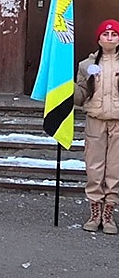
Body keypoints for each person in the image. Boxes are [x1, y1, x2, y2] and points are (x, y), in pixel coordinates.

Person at [74, 19, 119, 235]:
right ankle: (94, 212)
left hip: (118, 122)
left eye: (114, 34)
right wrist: (68, 89)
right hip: (95, 120)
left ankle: (109, 214)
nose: (110, 37)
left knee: (115, 169)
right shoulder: (86, 65)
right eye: (106, 34)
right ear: (99, 38)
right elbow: (82, 94)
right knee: (94, 168)